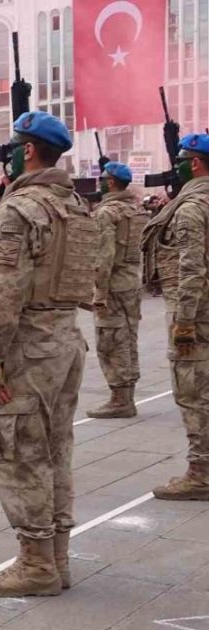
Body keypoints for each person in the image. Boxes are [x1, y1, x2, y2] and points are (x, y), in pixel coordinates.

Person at [0, 111, 98, 598]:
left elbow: (5, 293)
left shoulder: (21, 208)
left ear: (27, 151)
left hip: (27, 348)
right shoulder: (76, 205)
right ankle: (57, 557)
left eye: (12, 147)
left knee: (21, 452)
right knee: (56, 449)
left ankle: (35, 563)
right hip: (66, 339)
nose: (7, 155)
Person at [142, 133, 209, 501]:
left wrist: (183, 321)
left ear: (195, 164)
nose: (177, 167)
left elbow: (191, 268)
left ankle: (201, 473)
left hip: (198, 316)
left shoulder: (192, 208)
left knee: (194, 393)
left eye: (181, 161)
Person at [86, 162, 149, 419]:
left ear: (110, 182)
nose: (100, 183)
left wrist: (99, 293)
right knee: (128, 339)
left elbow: (104, 256)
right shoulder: (136, 211)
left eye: (102, 179)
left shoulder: (106, 213)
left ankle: (120, 399)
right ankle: (127, 394)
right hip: (131, 283)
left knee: (110, 342)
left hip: (112, 286)